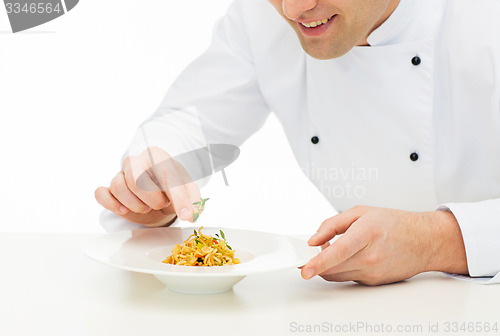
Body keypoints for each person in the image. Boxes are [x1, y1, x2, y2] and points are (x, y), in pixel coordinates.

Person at [95, 0, 500, 285]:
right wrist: (154, 186)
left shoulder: (485, 22)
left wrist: (437, 241)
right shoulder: (259, 18)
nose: (293, 9)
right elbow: (188, 121)